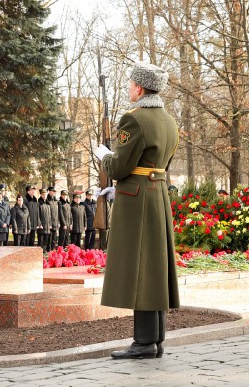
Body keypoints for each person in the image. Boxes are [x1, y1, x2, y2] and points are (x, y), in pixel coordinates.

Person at [94, 62, 179, 359]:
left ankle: (143, 342)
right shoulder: (169, 120)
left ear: (140, 88)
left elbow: (119, 167)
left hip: (137, 198)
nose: (129, 88)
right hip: (157, 197)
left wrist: (105, 156)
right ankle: (155, 339)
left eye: (131, 84)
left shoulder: (134, 119)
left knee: (142, 270)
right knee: (154, 268)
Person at [46, 187, 59, 252]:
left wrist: (58, 222)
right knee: (49, 239)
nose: (54, 192)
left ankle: (53, 251)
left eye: (55, 191)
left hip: (55, 223)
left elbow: (57, 213)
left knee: (54, 239)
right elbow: (48, 214)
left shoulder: (55, 201)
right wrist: (49, 223)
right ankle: (49, 252)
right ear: (49, 191)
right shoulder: (47, 200)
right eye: (53, 191)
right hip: (50, 224)